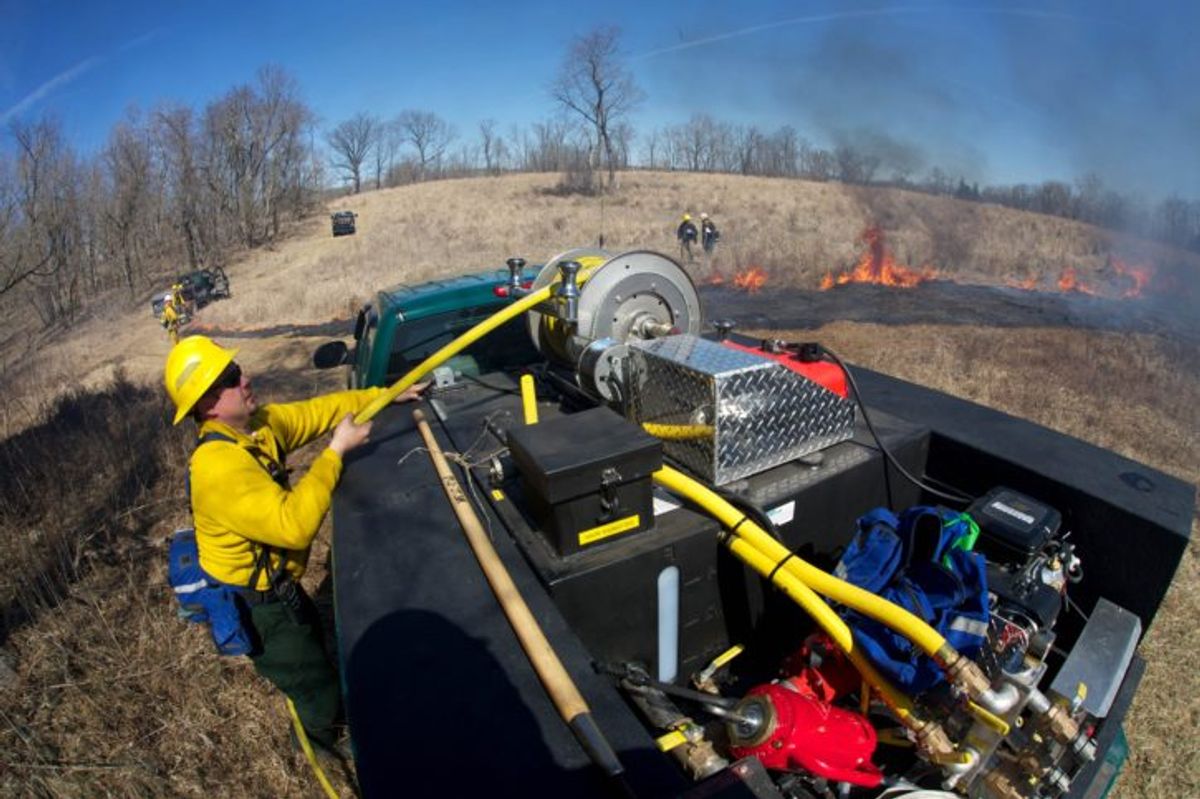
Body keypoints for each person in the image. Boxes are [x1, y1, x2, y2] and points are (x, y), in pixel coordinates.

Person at [163, 335, 427, 758]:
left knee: (311, 651)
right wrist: (335, 452)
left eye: (237, 369)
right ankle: (318, 743)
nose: (245, 379)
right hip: (258, 606)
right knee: (314, 687)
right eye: (231, 378)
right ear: (208, 404)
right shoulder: (218, 468)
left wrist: (386, 395)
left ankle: (319, 707)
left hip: (279, 587)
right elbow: (294, 527)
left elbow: (319, 411)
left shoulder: (257, 428)